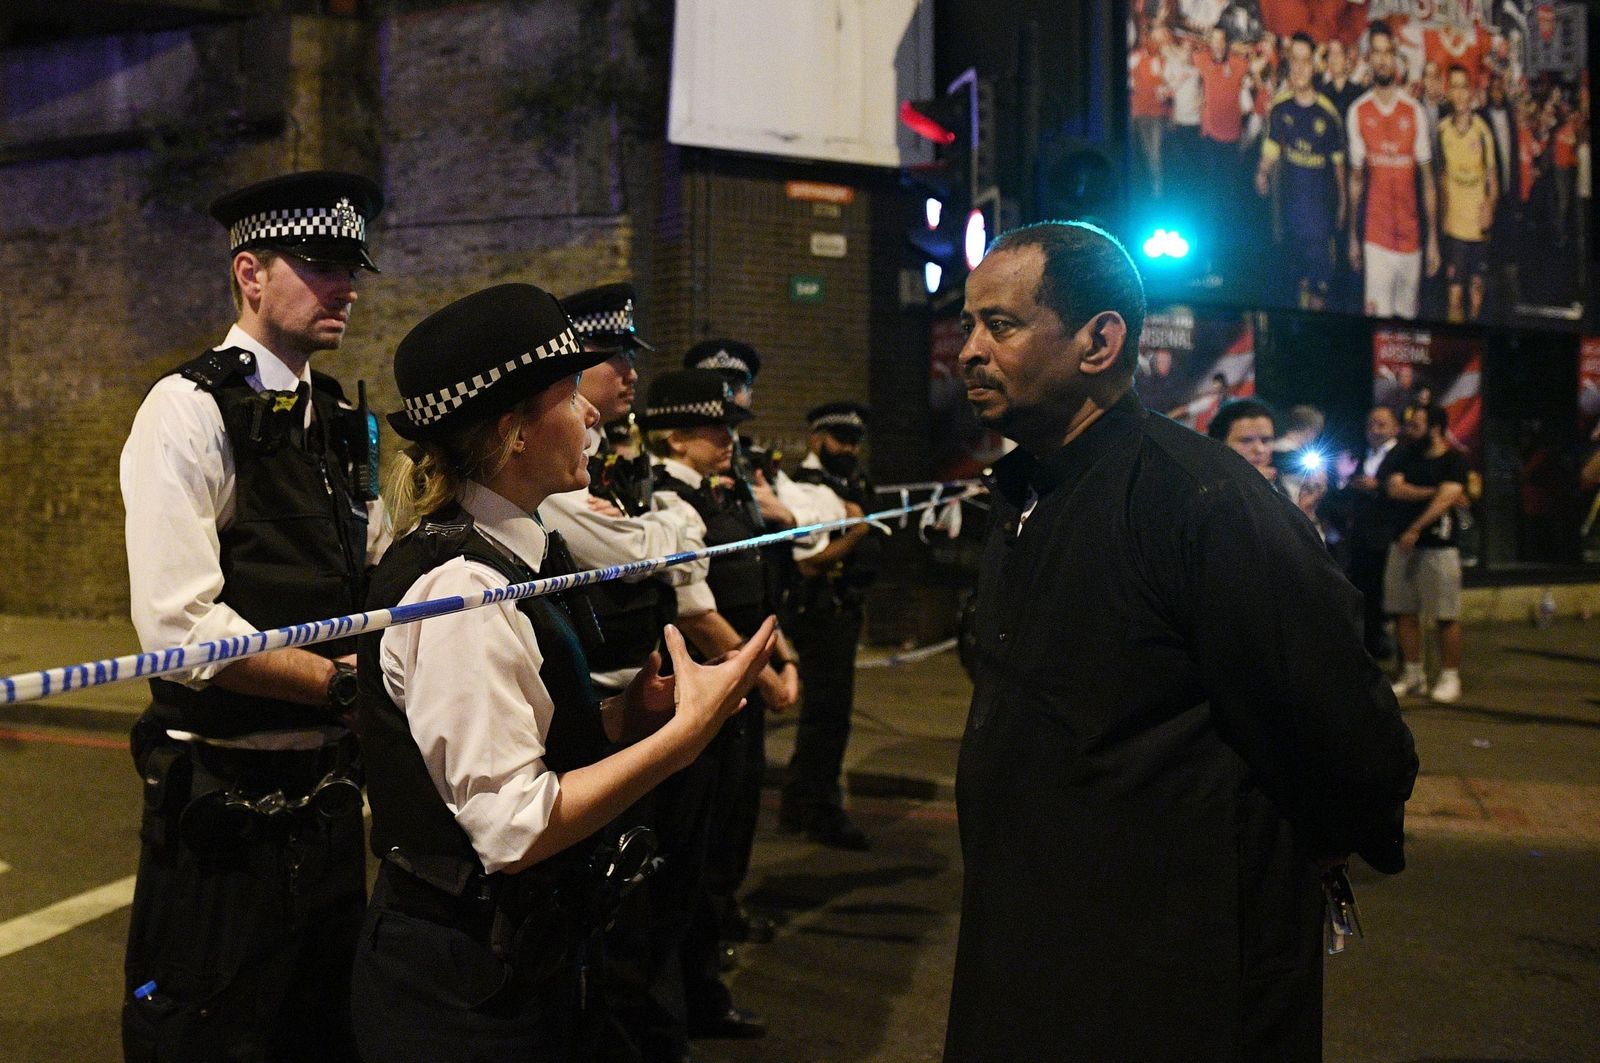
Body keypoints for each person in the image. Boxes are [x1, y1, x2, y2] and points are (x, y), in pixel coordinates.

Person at [945, 220, 1417, 1062]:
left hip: (1171, 969)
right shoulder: (1028, 495)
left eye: (1001, 325)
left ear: (1099, 341)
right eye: (968, 324)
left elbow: (1343, 720)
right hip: (1036, 944)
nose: (969, 350)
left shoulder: (1200, 500)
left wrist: (1337, 832)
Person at [350, 283, 776, 1062]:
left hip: (512, 958)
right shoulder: (462, 590)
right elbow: (513, 826)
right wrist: (682, 737)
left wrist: (622, 723)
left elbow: (524, 739)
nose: (590, 414)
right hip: (463, 991)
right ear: (513, 431)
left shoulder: (520, 553)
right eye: (569, 393)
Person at [118, 169, 385, 1062]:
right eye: (319, 263)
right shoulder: (187, 412)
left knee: (322, 1036)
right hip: (226, 816)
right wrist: (344, 687)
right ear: (250, 274)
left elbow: (368, 577)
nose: (345, 282)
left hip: (329, 806)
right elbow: (180, 628)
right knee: (209, 1036)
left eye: (352, 263)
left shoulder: (341, 425)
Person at [642, 368, 801, 1041]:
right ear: (676, 436)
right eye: (716, 429)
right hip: (709, 685)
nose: (728, 441)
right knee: (695, 854)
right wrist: (759, 672)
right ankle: (696, 994)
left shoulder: (722, 492)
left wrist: (782, 657)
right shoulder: (663, 500)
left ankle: (705, 970)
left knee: (730, 830)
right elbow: (695, 608)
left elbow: (753, 585)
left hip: (739, 678)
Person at [777, 401, 879, 850]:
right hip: (818, 612)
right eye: (842, 439)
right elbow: (807, 564)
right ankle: (820, 810)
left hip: (842, 610)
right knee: (827, 716)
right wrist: (856, 533)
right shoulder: (803, 488)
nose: (851, 449)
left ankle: (800, 803)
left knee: (827, 716)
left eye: (856, 441)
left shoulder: (848, 483)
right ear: (817, 438)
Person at [1349, 20, 1440, 319]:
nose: (1382, 59)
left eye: (1388, 52)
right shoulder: (1358, 111)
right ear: (1369, 59)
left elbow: (1428, 180)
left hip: (1412, 240)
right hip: (1376, 240)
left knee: (1407, 334)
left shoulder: (1414, 111)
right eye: (1376, 52)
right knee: (1377, 329)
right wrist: (1352, 235)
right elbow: (1356, 181)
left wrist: (1433, 240)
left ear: (1396, 58)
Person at [1385, 403, 1469, 704]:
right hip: (1402, 545)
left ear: (1435, 428)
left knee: (1445, 614)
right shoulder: (1404, 454)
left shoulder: (1454, 460)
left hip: (1439, 547)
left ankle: (1449, 676)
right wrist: (1438, 492)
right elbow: (1395, 489)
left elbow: (1448, 500)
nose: (1409, 430)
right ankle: (1413, 674)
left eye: (1416, 425)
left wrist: (1416, 527)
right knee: (1404, 612)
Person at [1255, 32, 1347, 310]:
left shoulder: (1328, 113)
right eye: (1294, 61)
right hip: (1290, 213)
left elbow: (1339, 164)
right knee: (1296, 282)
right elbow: (1272, 145)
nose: (1299, 68)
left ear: (1315, 67)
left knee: (1319, 288)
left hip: (1320, 217)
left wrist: (1343, 203)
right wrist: (1262, 171)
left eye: (1305, 61)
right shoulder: (1280, 106)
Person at [1437, 65, 1498, 322]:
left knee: (1475, 297)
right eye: (1455, 87)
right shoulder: (1441, 131)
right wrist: (1441, 218)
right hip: (1454, 229)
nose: (1460, 94)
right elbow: (1438, 180)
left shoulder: (1482, 131)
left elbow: (1492, 180)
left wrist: (1490, 211)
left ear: (1471, 92)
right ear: (1448, 92)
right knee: (1454, 297)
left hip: (1478, 229)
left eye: (1465, 87)